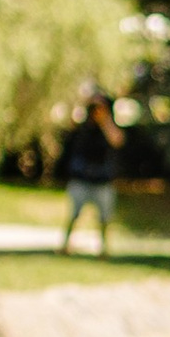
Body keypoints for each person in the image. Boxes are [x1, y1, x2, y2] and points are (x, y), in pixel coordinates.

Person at [58, 91, 124, 253]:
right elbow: (69, 128)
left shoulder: (109, 126)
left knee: (104, 219)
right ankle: (66, 246)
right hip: (81, 178)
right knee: (74, 215)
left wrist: (105, 120)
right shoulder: (83, 128)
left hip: (102, 180)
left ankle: (103, 249)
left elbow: (117, 141)